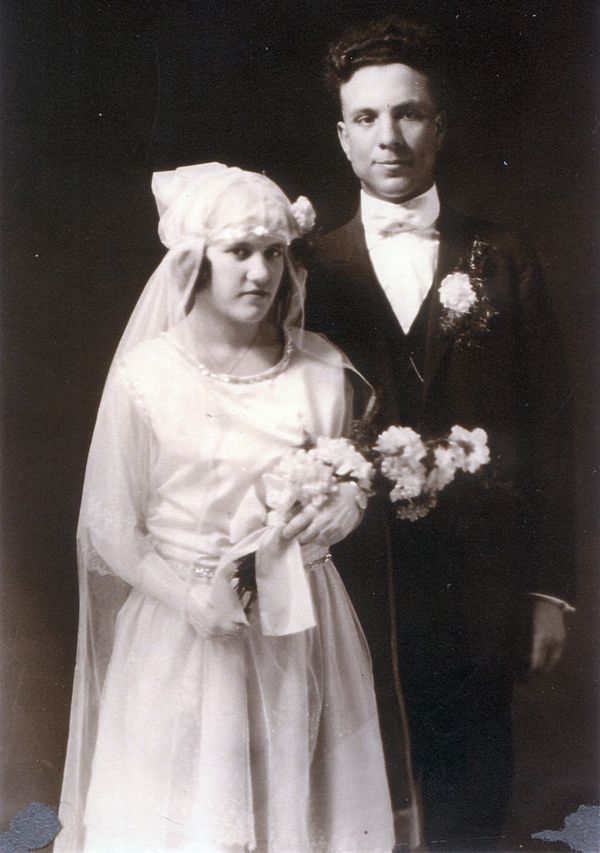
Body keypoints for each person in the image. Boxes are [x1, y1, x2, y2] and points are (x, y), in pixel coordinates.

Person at [55, 163, 410, 852]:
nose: (260, 272)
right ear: (195, 260)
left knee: (300, 817)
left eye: (273, 252)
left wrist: (349, 503)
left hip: (300, 628)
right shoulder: (148, 374)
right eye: (239, 251)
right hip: (184, 629)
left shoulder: (322, 370)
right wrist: (190, 599)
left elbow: (344, 476)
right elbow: (111, 523)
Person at [305, 17, 575, 851]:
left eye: (409, 113)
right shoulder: (306, 267)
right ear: (343, 137)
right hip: (353, 578)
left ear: (440, 126)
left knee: (472, 792)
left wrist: (548, 589)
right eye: (367, 118)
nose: (389, 137)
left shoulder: (502, 254)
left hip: (480, 579)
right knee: (360, 786)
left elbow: (549, 426)